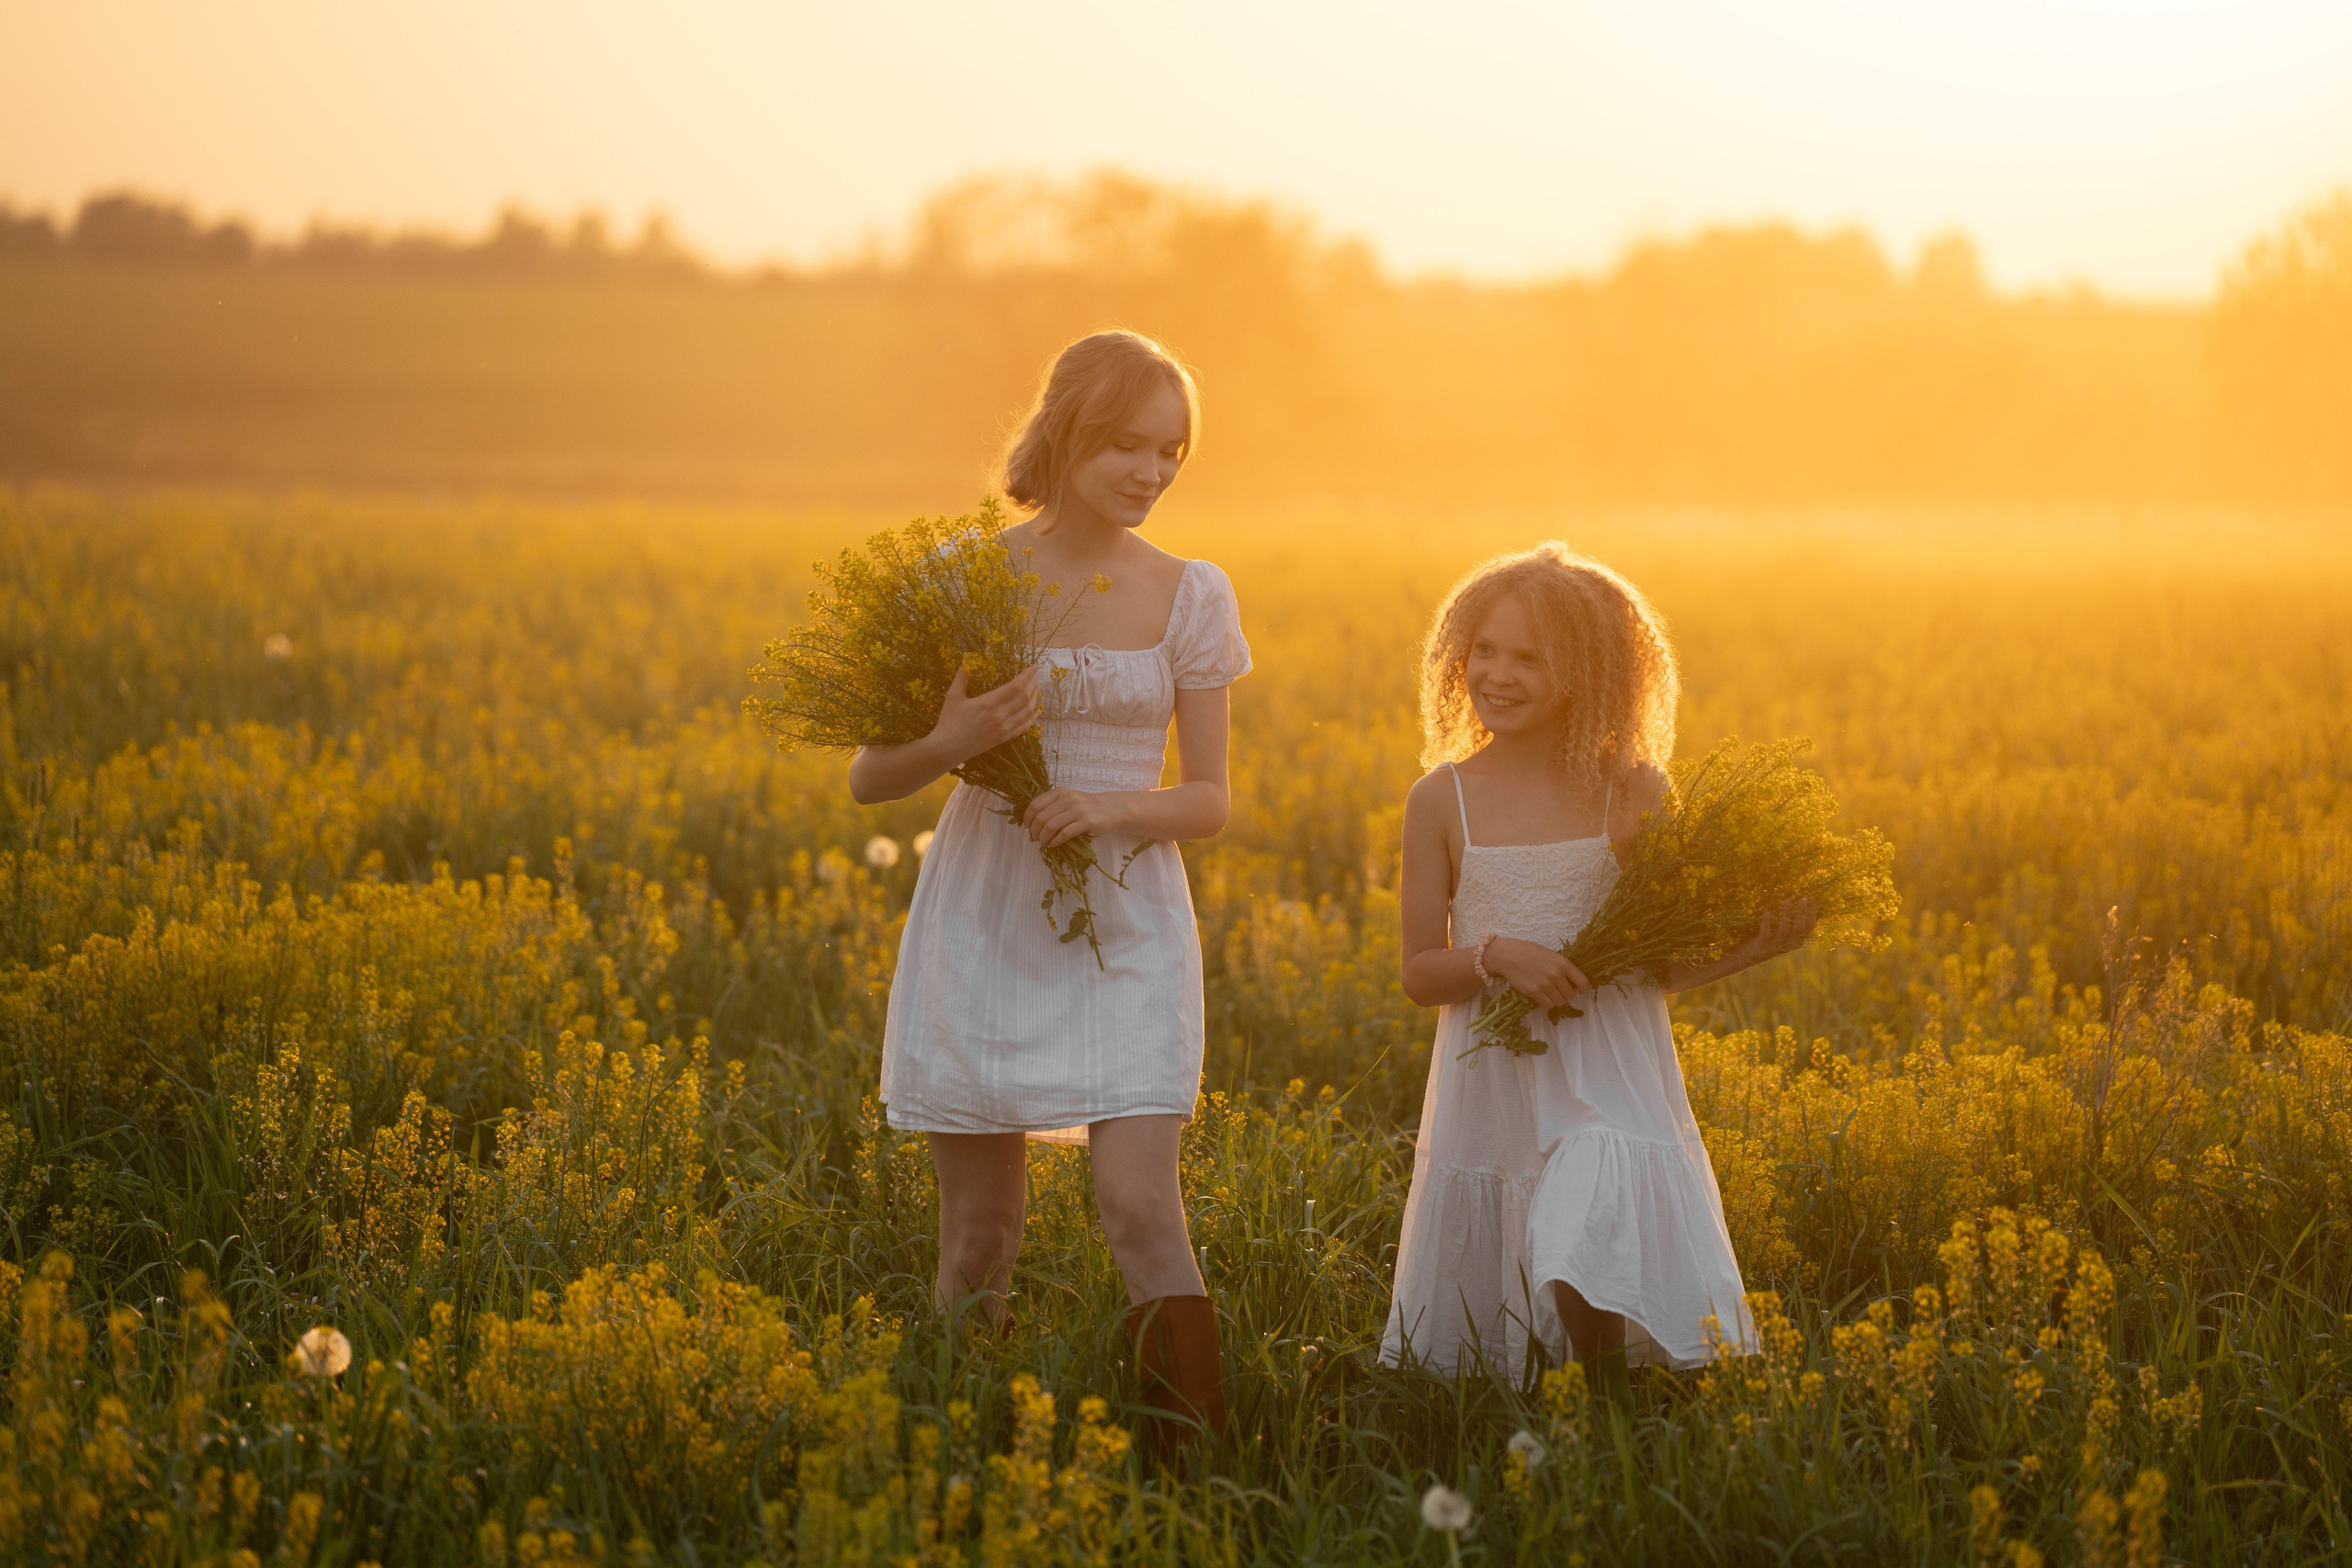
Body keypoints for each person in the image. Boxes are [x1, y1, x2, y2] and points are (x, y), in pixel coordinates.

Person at [850, 330, 1250, 1452]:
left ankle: (1199, 1470)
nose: (1150, 472)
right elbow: (868, 778)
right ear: (1067, 432)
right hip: (986, 908)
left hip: (1129, 919)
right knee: (979, 1233)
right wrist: (954, 737)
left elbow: (1211, 799)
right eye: (1128, 443)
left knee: (1137, 1203)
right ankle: (959, 1451)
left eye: (1170, 452)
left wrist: (1109, 806)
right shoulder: (963, 582)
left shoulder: (1190, 595)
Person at [1378, 544, 1813, 1400]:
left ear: (1590, 672)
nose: (1496, 674)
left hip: (1608, 1061)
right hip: (1499, 1069)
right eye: (1485, 649)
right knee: (1540, 1232)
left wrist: (1755, 945)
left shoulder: (1635, 791)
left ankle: (1605, 1398)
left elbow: (1661, 964)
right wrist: (1497, 955)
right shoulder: (1441, 799)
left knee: (1585, 1208)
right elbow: (1421, 973)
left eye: (1530, 657)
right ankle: (1575, 1407)